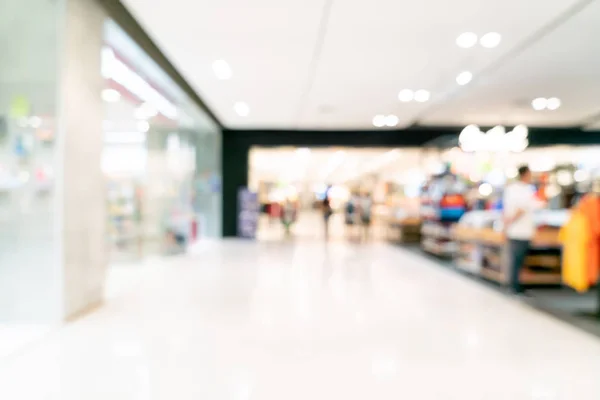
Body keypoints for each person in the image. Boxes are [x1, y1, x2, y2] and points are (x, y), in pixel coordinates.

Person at [503, 165, 538, 295]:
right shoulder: (524, 190)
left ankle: (514, 284)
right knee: (518, 259)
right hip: (520, 230)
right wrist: (510, 223)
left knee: (516, 259)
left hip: (516, 230)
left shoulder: (511, 189)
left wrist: (506, 225)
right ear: (526, 174)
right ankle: (515, 285)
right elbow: (521, 209)